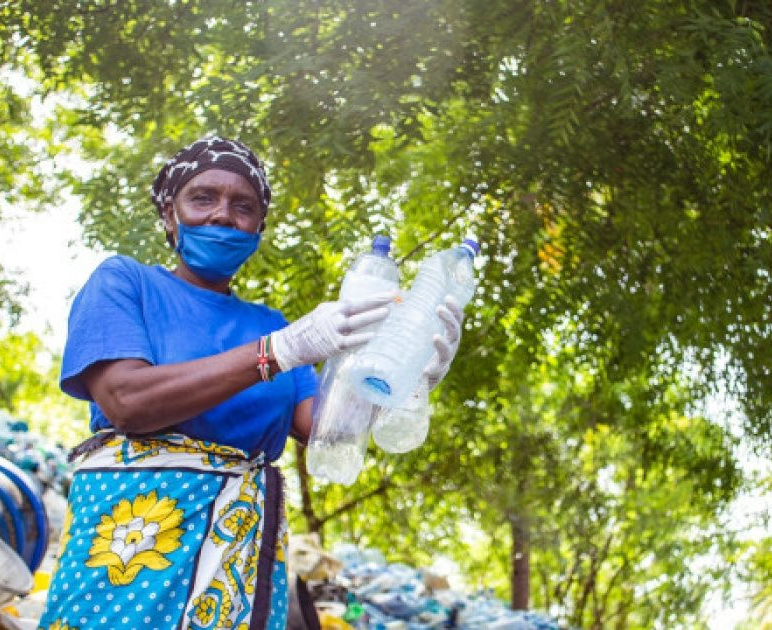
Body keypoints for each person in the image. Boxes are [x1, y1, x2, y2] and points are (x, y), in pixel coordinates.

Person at [38, 137, 463, 630]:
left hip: (236, 561)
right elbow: (127, 401)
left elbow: (329, 431)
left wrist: (406, 377)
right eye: (202, 198)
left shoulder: (272, 323)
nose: (222, 215)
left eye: (243, 207)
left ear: (258, 230)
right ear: (169, 216)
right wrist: (275, 353)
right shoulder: (125, 283)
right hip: (129, 549)